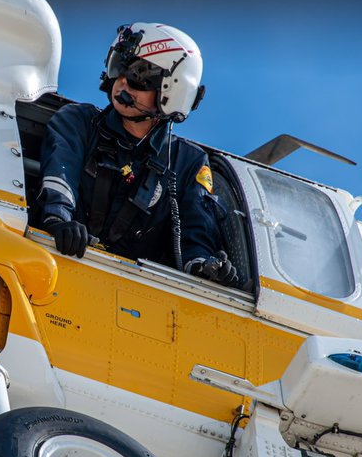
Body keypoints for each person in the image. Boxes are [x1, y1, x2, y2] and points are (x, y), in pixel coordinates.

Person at [37, 22, 238, 286]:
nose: (123, 81)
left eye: (139, 75)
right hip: (57, 267)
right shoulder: (78, 123)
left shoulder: (187, 163)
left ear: (172, 90)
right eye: (120, 67)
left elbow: (196, 235)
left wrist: (205, 267)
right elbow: (59, 177)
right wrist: (57, 220)